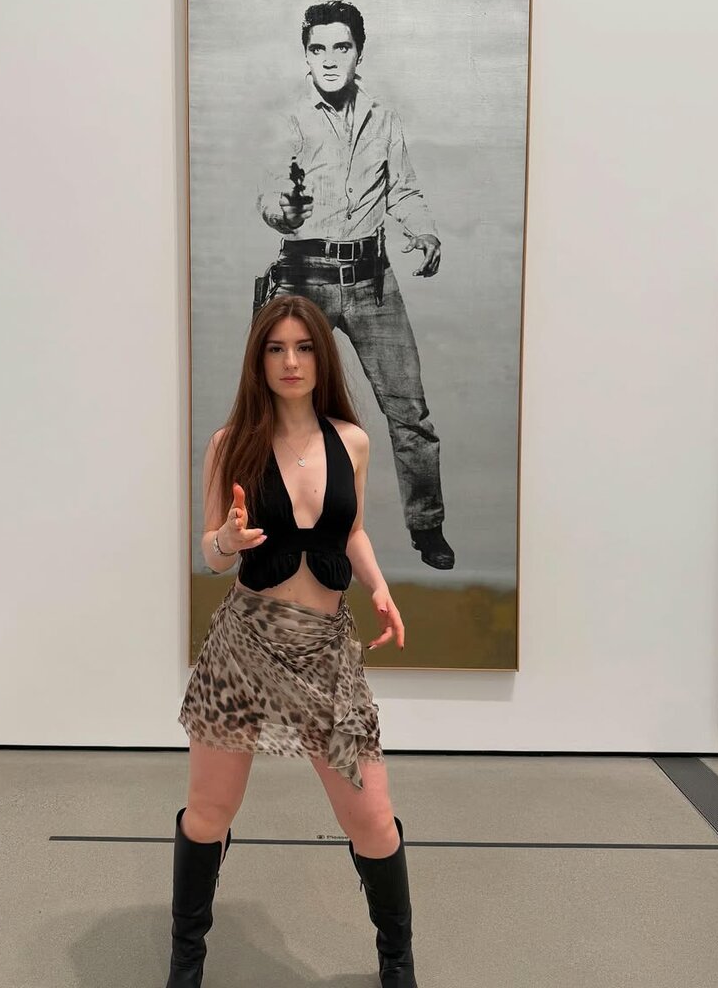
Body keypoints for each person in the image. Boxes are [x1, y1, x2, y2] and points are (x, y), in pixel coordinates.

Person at [167, 294, 419, 988]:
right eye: (276, 348)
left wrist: (379, 587)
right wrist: (226, 540)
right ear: (259, 359)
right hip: (244, 650)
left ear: (322, 357)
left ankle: (397, 964)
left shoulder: (351, 441)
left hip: (326, 653)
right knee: (209, 813)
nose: (290, 361)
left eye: (303, 347)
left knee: (372, 819)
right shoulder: (231, 444)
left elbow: (352, 529)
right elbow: (210, 552)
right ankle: (185, 961)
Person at [255, 0, 454, 571]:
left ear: (358, 53)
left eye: (340, 47)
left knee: (411, 413)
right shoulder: (289, 119)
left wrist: (423, 230)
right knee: (282, 411)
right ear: (305, 56)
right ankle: (276, 530)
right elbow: (271, 192)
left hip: (372, 281)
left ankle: (428, 528)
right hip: (304, 279)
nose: (328, 59)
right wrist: (283, 210)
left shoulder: (382, 118)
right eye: (317, 48)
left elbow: (404, 190)